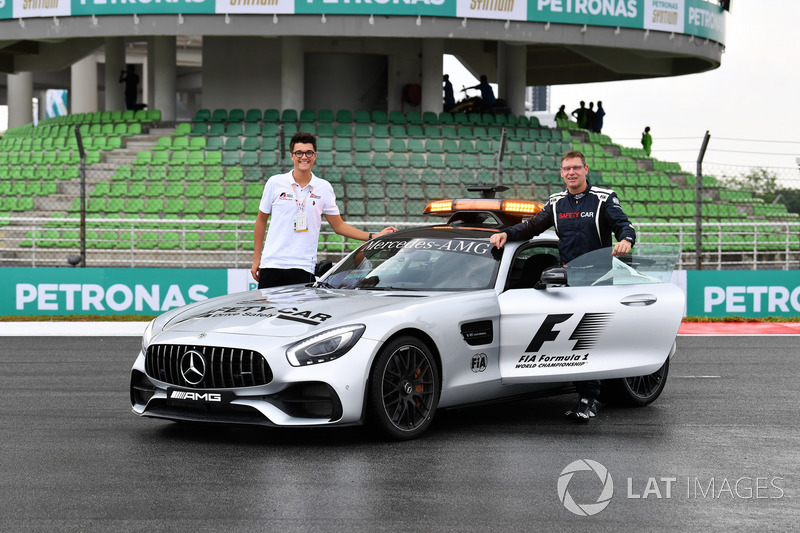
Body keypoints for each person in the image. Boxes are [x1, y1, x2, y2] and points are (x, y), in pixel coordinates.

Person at [489, 150, 636, 423]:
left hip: (598, 281)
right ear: (561, 172)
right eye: (567, 168)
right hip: (568, 279)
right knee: (573, 339)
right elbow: (531, 227)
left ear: (586, 169)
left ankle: (588, 399)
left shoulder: (604, 197)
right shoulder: (556, 202)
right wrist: (505, 234)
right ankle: (581, 391)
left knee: (585, 338)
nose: (571, 172)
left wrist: (626, 239)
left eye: (576, 168)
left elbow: (623, 224)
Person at [251, 131, 397, 289]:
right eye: (299, 153)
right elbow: (261, 220)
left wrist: (374, 236)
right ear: (292, 155)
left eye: (309, 152)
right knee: (269, 313)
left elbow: (339, 226)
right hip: (272, 264)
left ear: (315, 155)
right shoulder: (275, 182)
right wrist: (256, 259)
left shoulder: (324, 187)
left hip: (303, 266)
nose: (304, 157)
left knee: (296, 314)